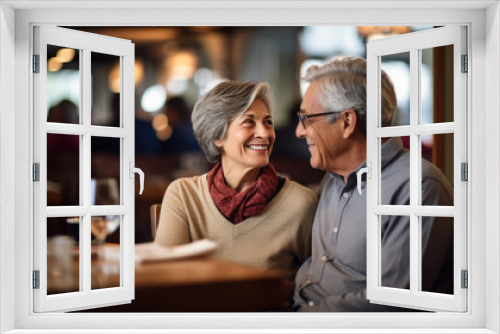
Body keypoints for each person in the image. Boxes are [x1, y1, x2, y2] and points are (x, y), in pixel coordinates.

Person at [293, 57, 454, 312]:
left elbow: (391, 300)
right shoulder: (333, 178)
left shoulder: (419, 187)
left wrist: (302, 320)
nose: (299, 132)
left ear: (347, 122)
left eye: (307, 119)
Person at [155, 81, 318, 280]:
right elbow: (167, 278)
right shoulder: (183, 195)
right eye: (249, 122)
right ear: (217, 136)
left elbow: (315, 286)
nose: (265, 133)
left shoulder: (301, 202)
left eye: (268, 122)